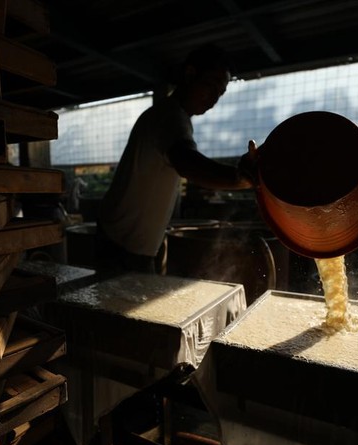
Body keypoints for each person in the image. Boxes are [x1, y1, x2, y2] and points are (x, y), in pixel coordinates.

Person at [95, 43, 258, 274]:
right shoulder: (170, 116)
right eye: (210, 86)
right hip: (122, 245)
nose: (214, 99)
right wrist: (242, 178)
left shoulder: (169, 115)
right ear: (190, 74)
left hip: (124, 240)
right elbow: (187, 163)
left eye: (220, 93)